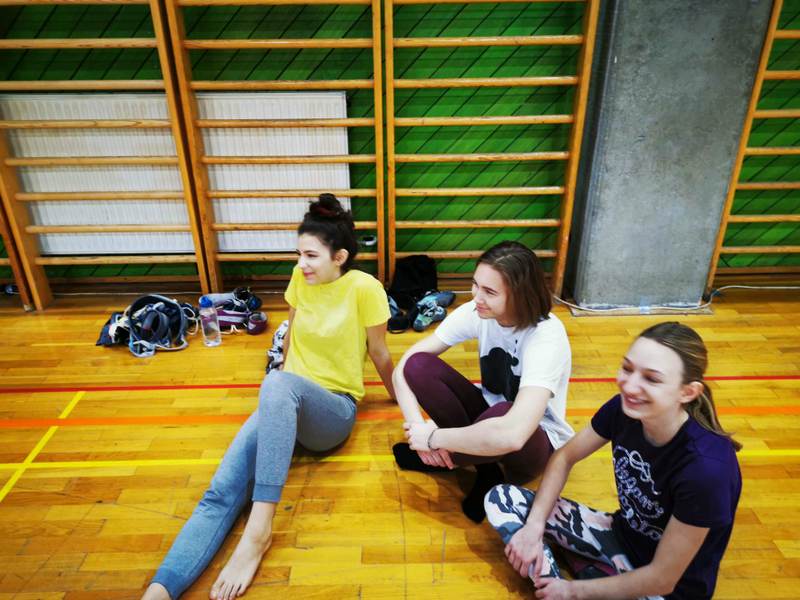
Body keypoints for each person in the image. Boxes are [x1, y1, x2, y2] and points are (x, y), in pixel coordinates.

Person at [142, 194, 394, 600]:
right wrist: (277, 396)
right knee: (220, 491)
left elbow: (379, 353)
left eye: (310, 255)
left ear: (340, 257)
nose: (301, 264)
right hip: (284, 400)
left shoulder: (366, 289)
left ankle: (258, 533)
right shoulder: (301, 279)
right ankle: (160, 588)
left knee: (277, 384)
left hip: (332, 411)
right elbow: (291, 336)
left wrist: (403, 402)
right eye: (298, 254)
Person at [484, 322, 742, 600]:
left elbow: (662, 579)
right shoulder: (624, 409)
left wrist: (572, 591)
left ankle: (583, 576)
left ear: (688, 392)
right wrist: (533, 529)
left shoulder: (706, 470)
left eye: (651, 379)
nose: (630, 386)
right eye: (627, 368)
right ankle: (581, 575)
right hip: (619, 537)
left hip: (665, 590)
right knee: (502, 499)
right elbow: (564, 457)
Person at [399, 241, 574, 523]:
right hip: (489, 419)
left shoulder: (546, 336)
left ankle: (449, 458)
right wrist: (417, 430)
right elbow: (404, 366)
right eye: (475, 285)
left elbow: (513, 434)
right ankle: (485, 470)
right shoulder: (479, 311)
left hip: (533, 442)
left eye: (489, 292)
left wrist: (433, 439)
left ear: (520, 295)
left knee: (503, 412)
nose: (476, 297)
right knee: (419, 366)